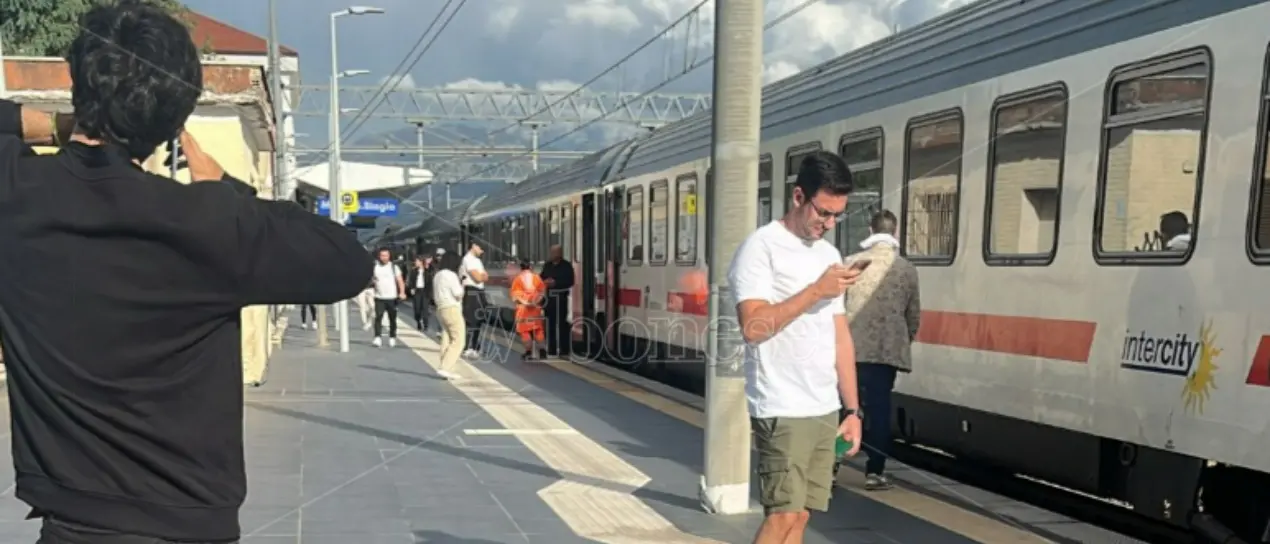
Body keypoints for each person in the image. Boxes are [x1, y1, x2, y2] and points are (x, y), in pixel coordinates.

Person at [0, 3, 372, 542]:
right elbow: (347, 261)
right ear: (175, 120)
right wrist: (229, 189)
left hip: (67, 526)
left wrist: (62, 125)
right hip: (185, 527)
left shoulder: (15, 195)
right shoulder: (209, 222)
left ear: (77, 86)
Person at [728, 150, 864, 544]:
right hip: (781, 404)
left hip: (823, 405)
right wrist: (816, 290)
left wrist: (852, 410)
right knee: (783, 514)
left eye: (837, 216)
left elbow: (840, 335)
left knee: (802, 515)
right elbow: (753, 327)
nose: (829, 224)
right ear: (799, 196)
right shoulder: (760, 248)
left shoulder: (829, 255)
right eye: (823, 213)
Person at [841, 209, 921, 491]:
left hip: (850, 350)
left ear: (870, 230)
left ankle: (832, 467)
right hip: (886, 354)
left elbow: (837, 310)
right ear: (895, 232)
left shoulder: (852, 263)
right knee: (879, 410)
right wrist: (903, 341)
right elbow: (913, 315)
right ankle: (875, 472)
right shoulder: (906, 269)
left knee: (846, 407)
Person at [431, 252, 466, 380]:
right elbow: (458, 293)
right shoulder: (451, 275)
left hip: (440, 309)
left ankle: (447, 369)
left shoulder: (437, 275)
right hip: (451, 308)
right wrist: (463, 285)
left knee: (446, 338)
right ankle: (445, 368)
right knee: (458, 340)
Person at [539, 244, 575, 357]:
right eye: (553, 252)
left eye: (556, 252)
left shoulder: (566, 266)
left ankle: (564, 350)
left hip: (561, 298)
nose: (554, 254)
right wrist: (545, 282)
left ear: (560, 253)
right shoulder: (547, 265)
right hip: (549, 298)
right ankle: (552, 349)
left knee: (562, 324)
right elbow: (541, 278)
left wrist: (556, 283)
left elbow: (570, 281)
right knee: (550, 324)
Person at [510, 260, 548, 360]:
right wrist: (535, 302)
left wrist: (526, 303)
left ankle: (528, 352)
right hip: (535, 309)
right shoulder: (536, 277)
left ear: (521, 268)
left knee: (524, 331)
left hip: (523, 310)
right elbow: (542, 292)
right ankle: (542, 351)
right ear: (530, 267)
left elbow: (515, 296)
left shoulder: (518, 279)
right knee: (538, 330)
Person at [458, 242, 489, 359]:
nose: (482, 251)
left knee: (479, 320)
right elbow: (478, 278)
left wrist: (482, 276)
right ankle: (466, 347)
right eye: (481, 248)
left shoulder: (477, 261)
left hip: (479, 291)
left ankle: (474, 346)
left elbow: (486, 277)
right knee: (470, 320)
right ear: (474, 246)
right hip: (471, 291)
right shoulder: (468, 259)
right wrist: (482, 276)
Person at [371, 248, 407, 347]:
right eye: (382, 255)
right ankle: (377, 337)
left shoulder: (394, 267)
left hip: (392, 297)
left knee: (392, 318)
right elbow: (372, 279)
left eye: (386, 255)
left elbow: (400, 281)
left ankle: (392, 336)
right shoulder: (375, 267)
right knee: (378, 317)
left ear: (389, 256)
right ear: (379, 256)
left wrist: (402, 292)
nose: (384, 258)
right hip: (379, 297)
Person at [406, 254, 434, 331]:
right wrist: (411, 288)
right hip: (417, 291)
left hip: (425, 291)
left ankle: (426, 325)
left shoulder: (428, 271)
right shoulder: (413, 271)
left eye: (417, 261)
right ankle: (418, 322)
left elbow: (430, 282)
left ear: (421, 262)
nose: (415, 262)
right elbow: (411, 281)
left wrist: (430, 293)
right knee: (417, 309)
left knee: (425, 309)